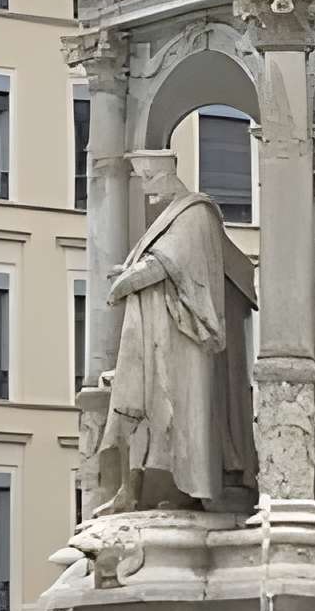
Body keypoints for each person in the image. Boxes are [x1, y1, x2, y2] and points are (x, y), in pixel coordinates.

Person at [96, 147, 255, 513]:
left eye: (149, 178)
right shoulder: (172, 215)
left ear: (165, 174)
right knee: (137, 407)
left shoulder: (195, 213)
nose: (146, 188)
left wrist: (125, 283)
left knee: (175, 416)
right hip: (157, 335)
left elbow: (170, 262)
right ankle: (130, 492)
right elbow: (154, 261)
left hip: (183, 339)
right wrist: (127, 274)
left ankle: (187, 493)